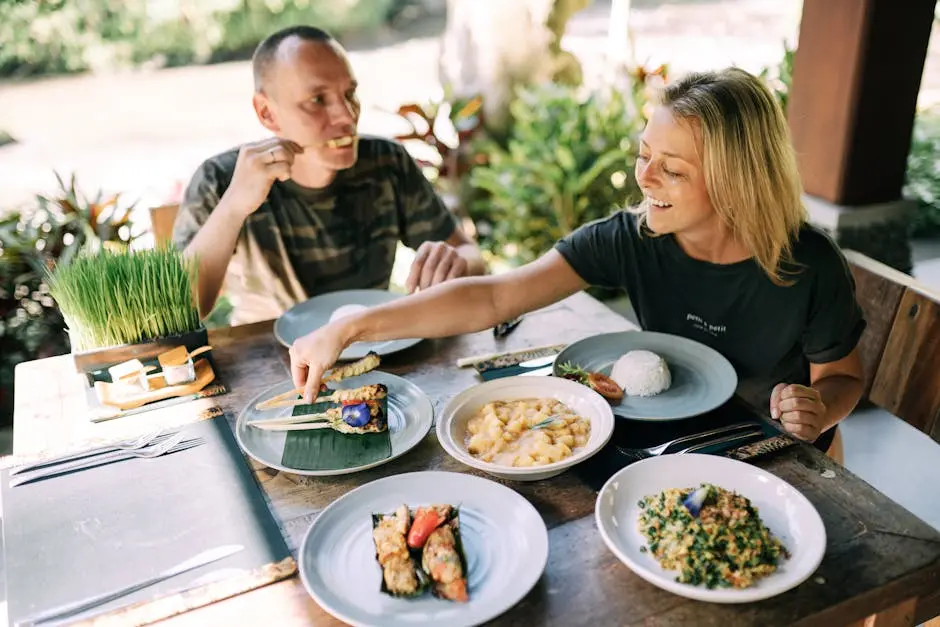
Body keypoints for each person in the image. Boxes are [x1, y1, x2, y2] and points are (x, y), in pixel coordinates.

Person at [288, 67, 867, 457]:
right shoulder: (630, 237)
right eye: (645, 155)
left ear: (737, 182)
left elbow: (843, 380)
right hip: (673, 437)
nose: (644, 178)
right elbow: (494, 297)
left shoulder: (807, 265)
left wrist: (817, 411)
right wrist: (350, 328)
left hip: (779, 452)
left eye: (673, 169)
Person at [172, 25, 486, 325]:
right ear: (267, 113)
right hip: (270, 357)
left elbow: (471, 256)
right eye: (318, 100)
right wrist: (233, 206)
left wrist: (455, 262)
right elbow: (184, 308)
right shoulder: (221, 179)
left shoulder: (385, 162)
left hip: (377, 340)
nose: (347, 116)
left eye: (349, 94)